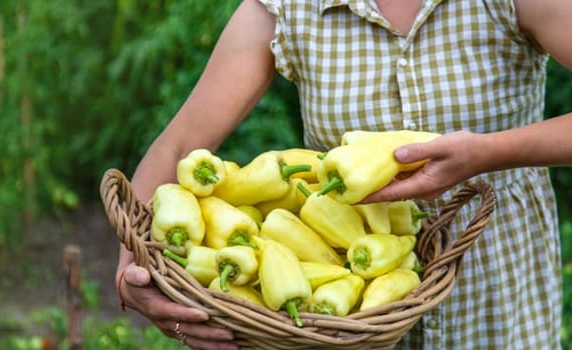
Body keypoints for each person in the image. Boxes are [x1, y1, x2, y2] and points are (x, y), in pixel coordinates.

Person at [115, 0, 572, 348]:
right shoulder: (292, 6)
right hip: (337, 301)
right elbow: (179, 147)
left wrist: (488, 153)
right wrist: (130, 267)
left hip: (494, 285)